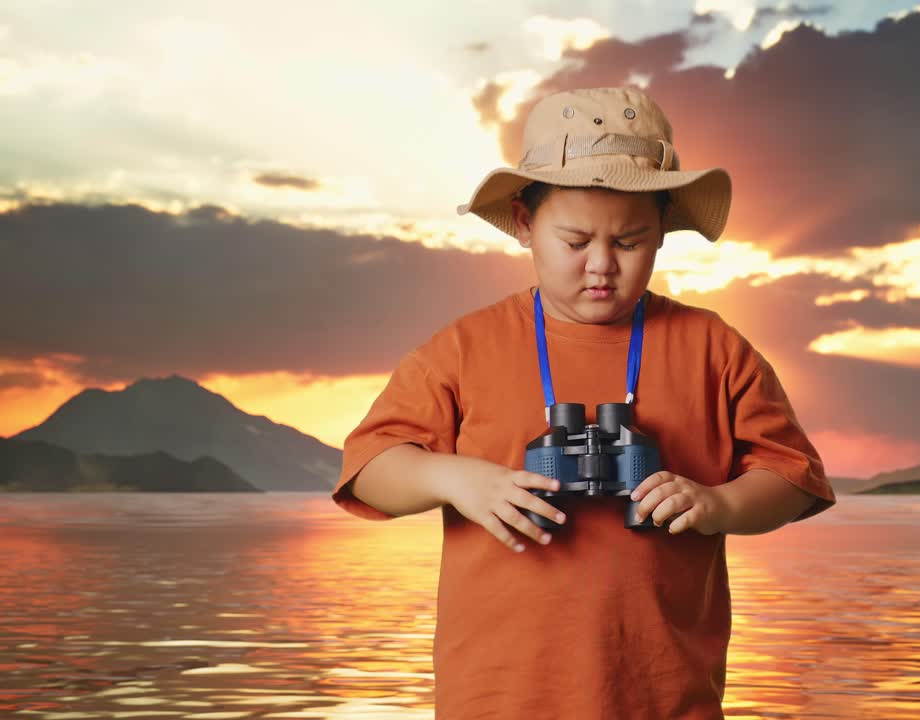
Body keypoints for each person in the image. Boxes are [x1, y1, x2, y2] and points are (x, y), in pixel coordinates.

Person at [333, 86, 836, 719]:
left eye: (630, 243)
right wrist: (454, 477)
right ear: (524, 222)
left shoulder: (715, 348)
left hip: (664, 694)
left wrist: (719, 502)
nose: (602, 265)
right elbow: (368, 469)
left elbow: (792, 478)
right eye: (575, 242)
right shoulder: (464, 347)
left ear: (661, 233)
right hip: (498, 697)